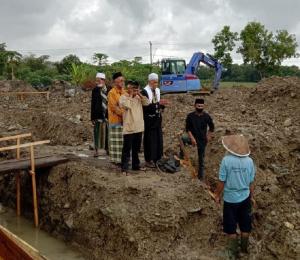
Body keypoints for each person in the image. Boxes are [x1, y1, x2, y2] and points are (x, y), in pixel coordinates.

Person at [214, 134, 256, 259]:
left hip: (230, 199)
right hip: (245, 197)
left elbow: (222, 181)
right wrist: (252, 197)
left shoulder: (226, 160)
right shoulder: (249, 161)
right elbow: (251, 182)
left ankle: (232, 253)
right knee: (245, 225)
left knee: (230, 227)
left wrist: (217, 195)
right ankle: (244, 250)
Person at [119, 80, 149, 175]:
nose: (134, 90)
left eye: (136, 88)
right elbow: (127, 106)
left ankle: (136, 166)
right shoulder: (123, 97)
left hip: (138, 127)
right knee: (127, 149)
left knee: (136, 149)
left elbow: (147, 103)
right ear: (128, 88)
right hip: (129, 127)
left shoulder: (139, 97)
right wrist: (131, 95)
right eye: (132, 88)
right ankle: (124, 168)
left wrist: (139, 94)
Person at [185, 98, 214, 180]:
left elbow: (212, 127)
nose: (200, 107)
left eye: (201, 106)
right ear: (195, 106)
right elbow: (187, 129)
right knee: (183, 139)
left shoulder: (206, 116)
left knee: (201, 159)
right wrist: (192, 138)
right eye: (198, 106)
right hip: (192, 138)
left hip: (202, 140)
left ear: (204, 106)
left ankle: (200, 177)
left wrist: (208, 136)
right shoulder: (190, 116)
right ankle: (182, 156)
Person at [141, 73, 167, 168]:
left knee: (158, 139)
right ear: (150, 81)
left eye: (157, 82)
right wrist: (157, 104)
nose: (156, 84)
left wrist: (162, 105)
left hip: (157, 118)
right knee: (149, 139)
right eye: (154, 82)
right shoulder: (144, 92)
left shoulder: (157, 90)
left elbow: (158, 104)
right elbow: (146, 106)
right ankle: (149, 159)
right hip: (148, 119)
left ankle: (157, 158)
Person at [107, 72, 125, 164]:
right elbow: (114, 108)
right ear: (115, 81)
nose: (123, 82)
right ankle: (115, 161)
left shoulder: (124, 91)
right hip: (115, 121)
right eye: (121, 80)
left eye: (123, 80)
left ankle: (122, 160)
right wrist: (125, 114)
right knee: (115, 143)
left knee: (123, 142)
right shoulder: (111, 93)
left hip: (124, 122)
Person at [91, 72, 108, 157]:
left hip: (107, 114)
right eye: (97, 80)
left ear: (103, 80)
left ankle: (108, 149)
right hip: (97, 114)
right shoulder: (95, 90)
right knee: (97, 133)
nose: (97, 82)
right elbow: (93, 104)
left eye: (99, 80)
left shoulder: (109, 89)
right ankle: (96, 150)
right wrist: (92, 117)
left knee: (107, 133)